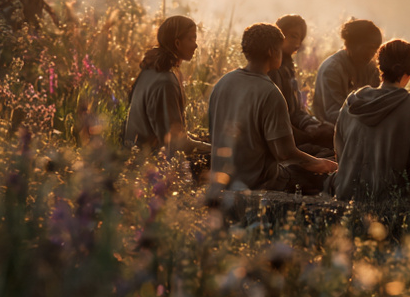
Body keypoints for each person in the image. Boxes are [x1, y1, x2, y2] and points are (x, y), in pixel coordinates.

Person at [207, 23, 338, 194]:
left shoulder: (223, 83)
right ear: (271, 51)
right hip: (259, 181)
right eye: (279, 48)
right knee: (326, 179)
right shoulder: (269, 92)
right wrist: (321, 163)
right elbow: (285, 153)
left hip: (223, 178)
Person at [329, 39, 410, 202]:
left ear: (379, 66)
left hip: (347, 191)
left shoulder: (352, 102)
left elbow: (340, 152)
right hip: (393, 198)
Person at [124, 16, 209, 171]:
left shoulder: (150, 71)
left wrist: (201, 141)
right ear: (177, 43)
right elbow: (175, 143)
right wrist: (214, 149)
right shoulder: (166, 82)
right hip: (152, 169)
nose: (196, 45)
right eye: (191, 39)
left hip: (138, 159)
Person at [271, 14, 335, 154]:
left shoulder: (288, 68)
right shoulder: (272, 70)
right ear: (278, 35)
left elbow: (296, 111)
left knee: (331, 132)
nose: (298, 44)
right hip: (283, 138)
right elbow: (277, 120)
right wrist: (308, 136)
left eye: (300, 39)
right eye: (293, 36)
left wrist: (313, 125)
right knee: (326, 151)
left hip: (296, 130)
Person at [311, 19, 383, 124]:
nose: (372, 54)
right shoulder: (332, 69)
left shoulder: (371, 68)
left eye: (375, 50)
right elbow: (333, 113)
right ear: (352, 44)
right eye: (369, 48)